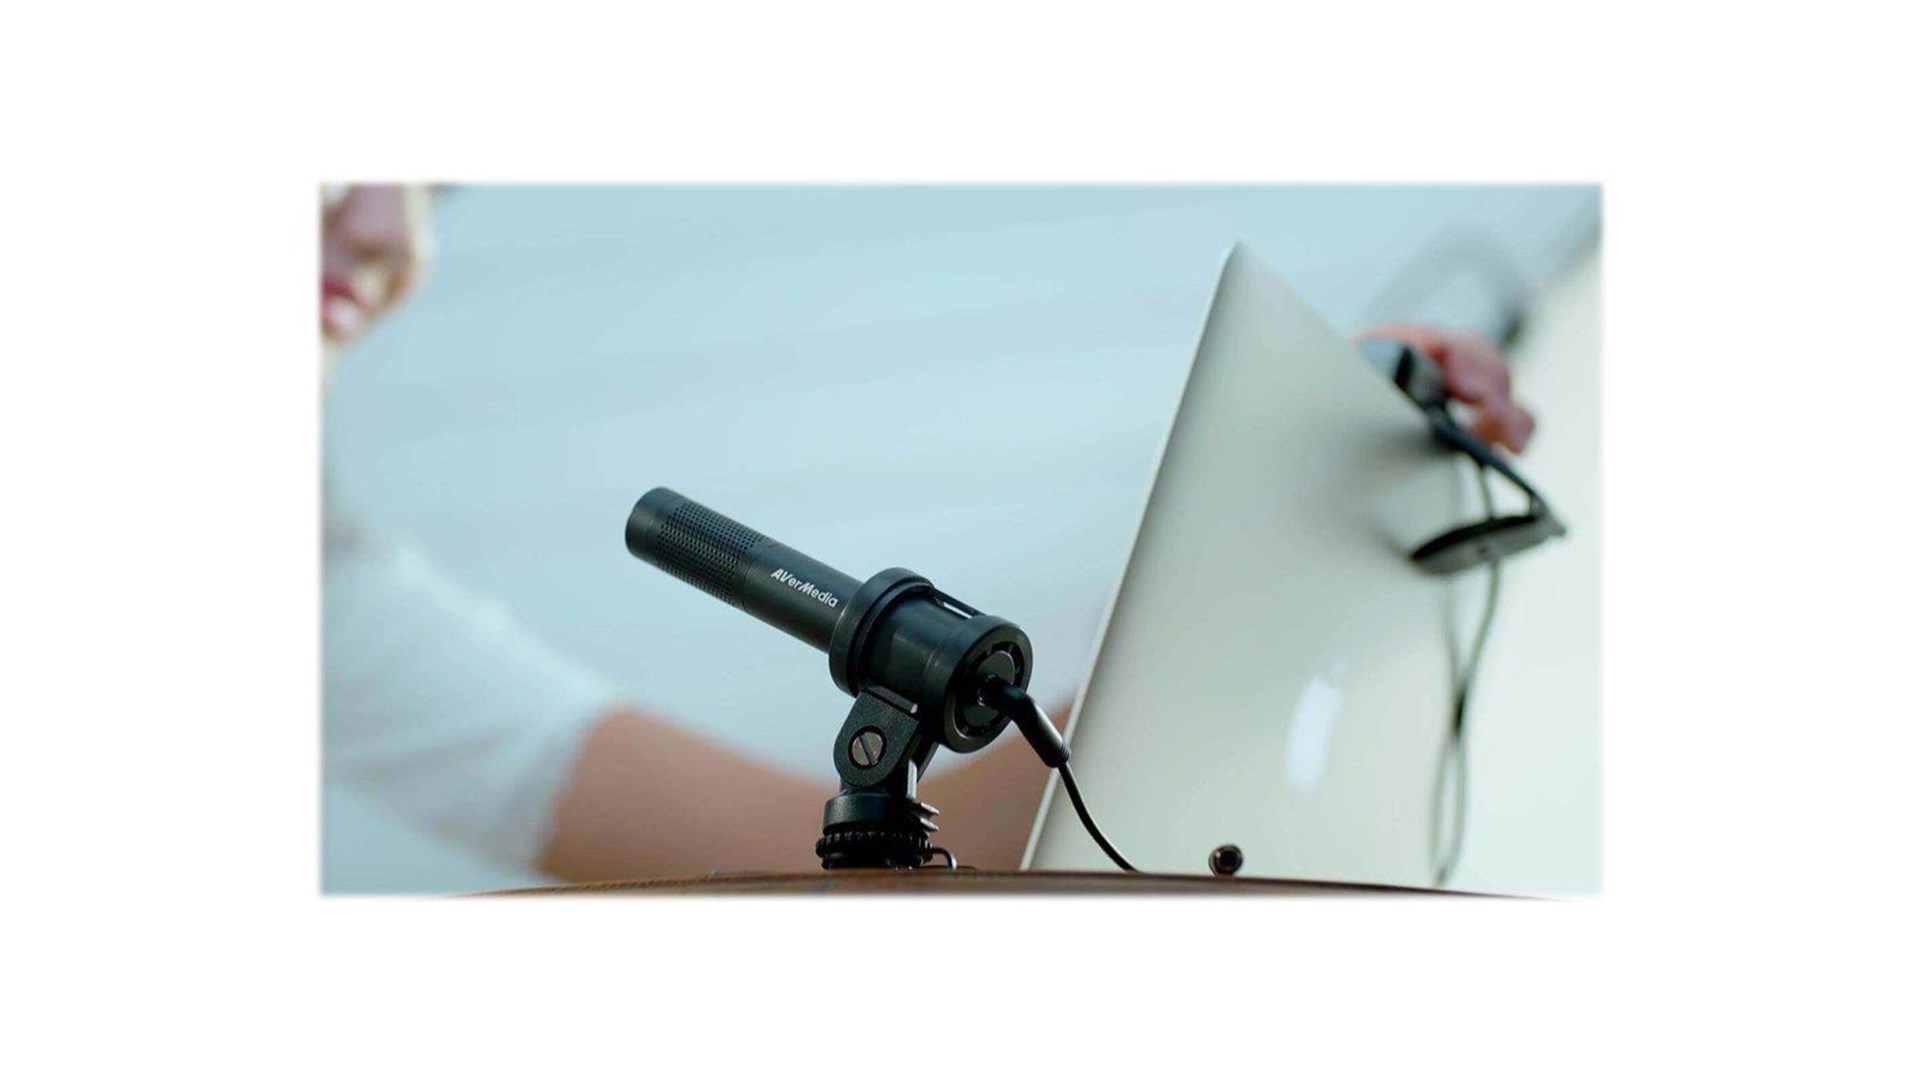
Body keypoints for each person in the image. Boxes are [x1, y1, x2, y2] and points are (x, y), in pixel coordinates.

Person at [321, 184, 1536, 883]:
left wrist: (1270, 518)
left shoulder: (331, 604)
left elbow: (817, 863)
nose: (391, 227)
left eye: (433, 182)